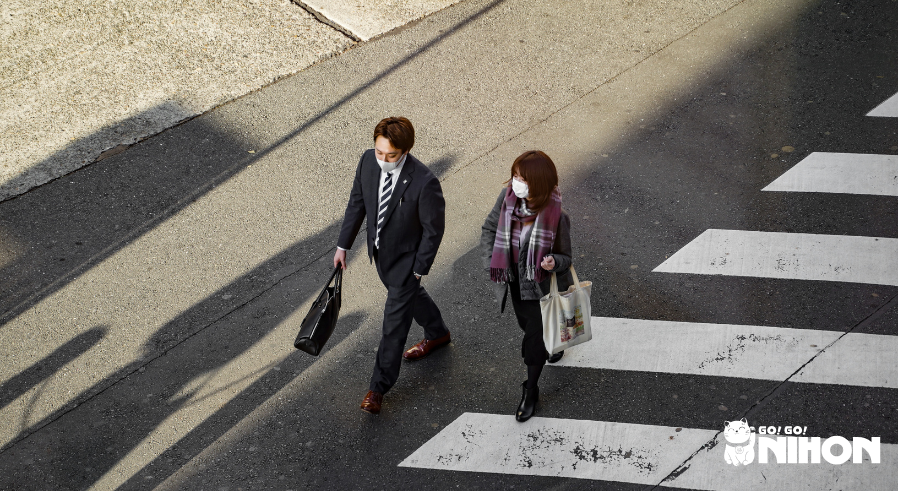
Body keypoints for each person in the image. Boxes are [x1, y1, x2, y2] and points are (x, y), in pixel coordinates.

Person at [334, 117, 451, 414]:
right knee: (412, 299)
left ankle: (378, 388)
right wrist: (343, 246)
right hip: (381, 256)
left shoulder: (425, 182)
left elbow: (433, 230)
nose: (383, 160)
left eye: (391, 155)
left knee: (393, 324)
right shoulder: (367, 161)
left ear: (406, 150)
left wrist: (419, 269)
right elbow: (357, 202)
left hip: (407, 264)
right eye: (379, 152)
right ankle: (437, 333)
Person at [481, 150, 573, 422]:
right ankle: (553, 343)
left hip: (542, 289)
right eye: (515, 176)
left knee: (534, 340)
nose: (516, 183)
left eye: (523, 179)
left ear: (540, 183)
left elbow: (566, 259)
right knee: (529, 328)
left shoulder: (558, 216)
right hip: (515, 283)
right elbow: (489, 228)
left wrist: (552, 262)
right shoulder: (508, 198)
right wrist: (491, 263)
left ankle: (530, 391)